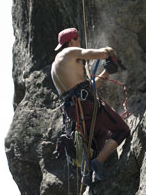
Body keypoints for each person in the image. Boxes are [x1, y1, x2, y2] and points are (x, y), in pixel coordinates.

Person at [51, 28, 130, 182]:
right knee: (122, 129)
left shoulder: (56, 67)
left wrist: (106, 72)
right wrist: (111, 54)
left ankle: (87, 173)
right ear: (72, 41)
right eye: (78, 39)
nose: (80, 42)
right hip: (86, 104)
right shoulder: (70, 52)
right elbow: (104, 53)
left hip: (73, 110)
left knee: (100, 135)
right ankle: (97, 162)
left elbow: (87, 88)